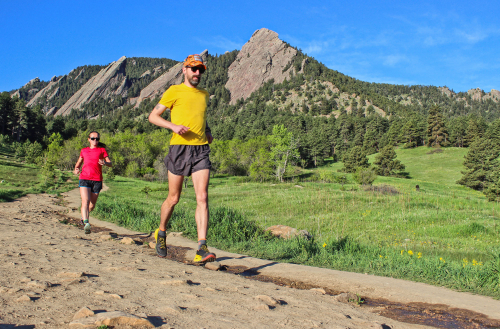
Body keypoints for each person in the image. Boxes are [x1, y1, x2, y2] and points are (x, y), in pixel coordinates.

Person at [148, 54, 216, 263]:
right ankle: (161, 233)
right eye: (193, 69)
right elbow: (153, 116)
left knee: (202, 197)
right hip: (178, 149)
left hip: (201, 150)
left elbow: (201, 118)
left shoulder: (204, 94)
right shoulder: (174, 91)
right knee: (173, 198)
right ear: (184, 70)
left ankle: (202, 247)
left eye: (200, 70)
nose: (197, 73)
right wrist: (174, 126)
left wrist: (207, 131)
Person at [73, 131, 112, 234]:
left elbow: (110, 163)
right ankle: (86, 223)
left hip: (97, 180)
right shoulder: (84, 151)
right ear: (88, 139)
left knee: (91, 206)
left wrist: (105, 163)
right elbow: (78, 164)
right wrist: (76, 169)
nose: (95, 140)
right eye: (93, 138)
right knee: (85, 201)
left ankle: (83, 217)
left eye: (97, 139)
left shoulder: (102, 150)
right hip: (84, 178)